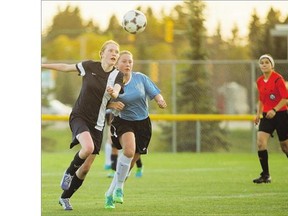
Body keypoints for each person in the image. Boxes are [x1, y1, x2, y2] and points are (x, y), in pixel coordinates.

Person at [41, 40, 125, 210]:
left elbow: (116, 90)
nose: (114, 54)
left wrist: (113, 94)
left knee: (86, 169)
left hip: (98, 124)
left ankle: (65, 198)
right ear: (102, 53)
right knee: (87, 148)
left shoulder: (117, 75)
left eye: (117, 51)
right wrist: (42, 65)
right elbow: (65, 67)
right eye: (111, 50)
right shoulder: (89, 66)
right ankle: (69, 173)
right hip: (79, 116)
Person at [104, 50, 167, 209]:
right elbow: (100, 103)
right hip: (123, 121)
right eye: (124, 61)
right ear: (117, 64)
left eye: (130, 61)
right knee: (129, 151)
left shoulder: (140, 78)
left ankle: (111, 192)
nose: (127, 64)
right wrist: (112, 104)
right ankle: (119, 188)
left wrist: (160, 101)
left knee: (130, 163)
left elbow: (156, 93)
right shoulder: (111, 82)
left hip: (143, 124)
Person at [253, 54, 288, 184]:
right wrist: (258, 114)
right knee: (260, 142)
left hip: (281, 115)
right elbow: (261, 99)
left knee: (285, 147)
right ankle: (266, 175)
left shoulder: (278, 79)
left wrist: (275, 110)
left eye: (267, 62)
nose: (264, 64)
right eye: (262, 63)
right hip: (267, 115)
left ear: (272, 65)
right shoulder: (259, 81)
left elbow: (285, 98)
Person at [104, 110, 144, 178]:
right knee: (114, 148)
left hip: (128, 123)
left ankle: (139, 166)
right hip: (117, 124)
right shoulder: (110, 110)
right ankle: (113, 170)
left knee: (132, 150)